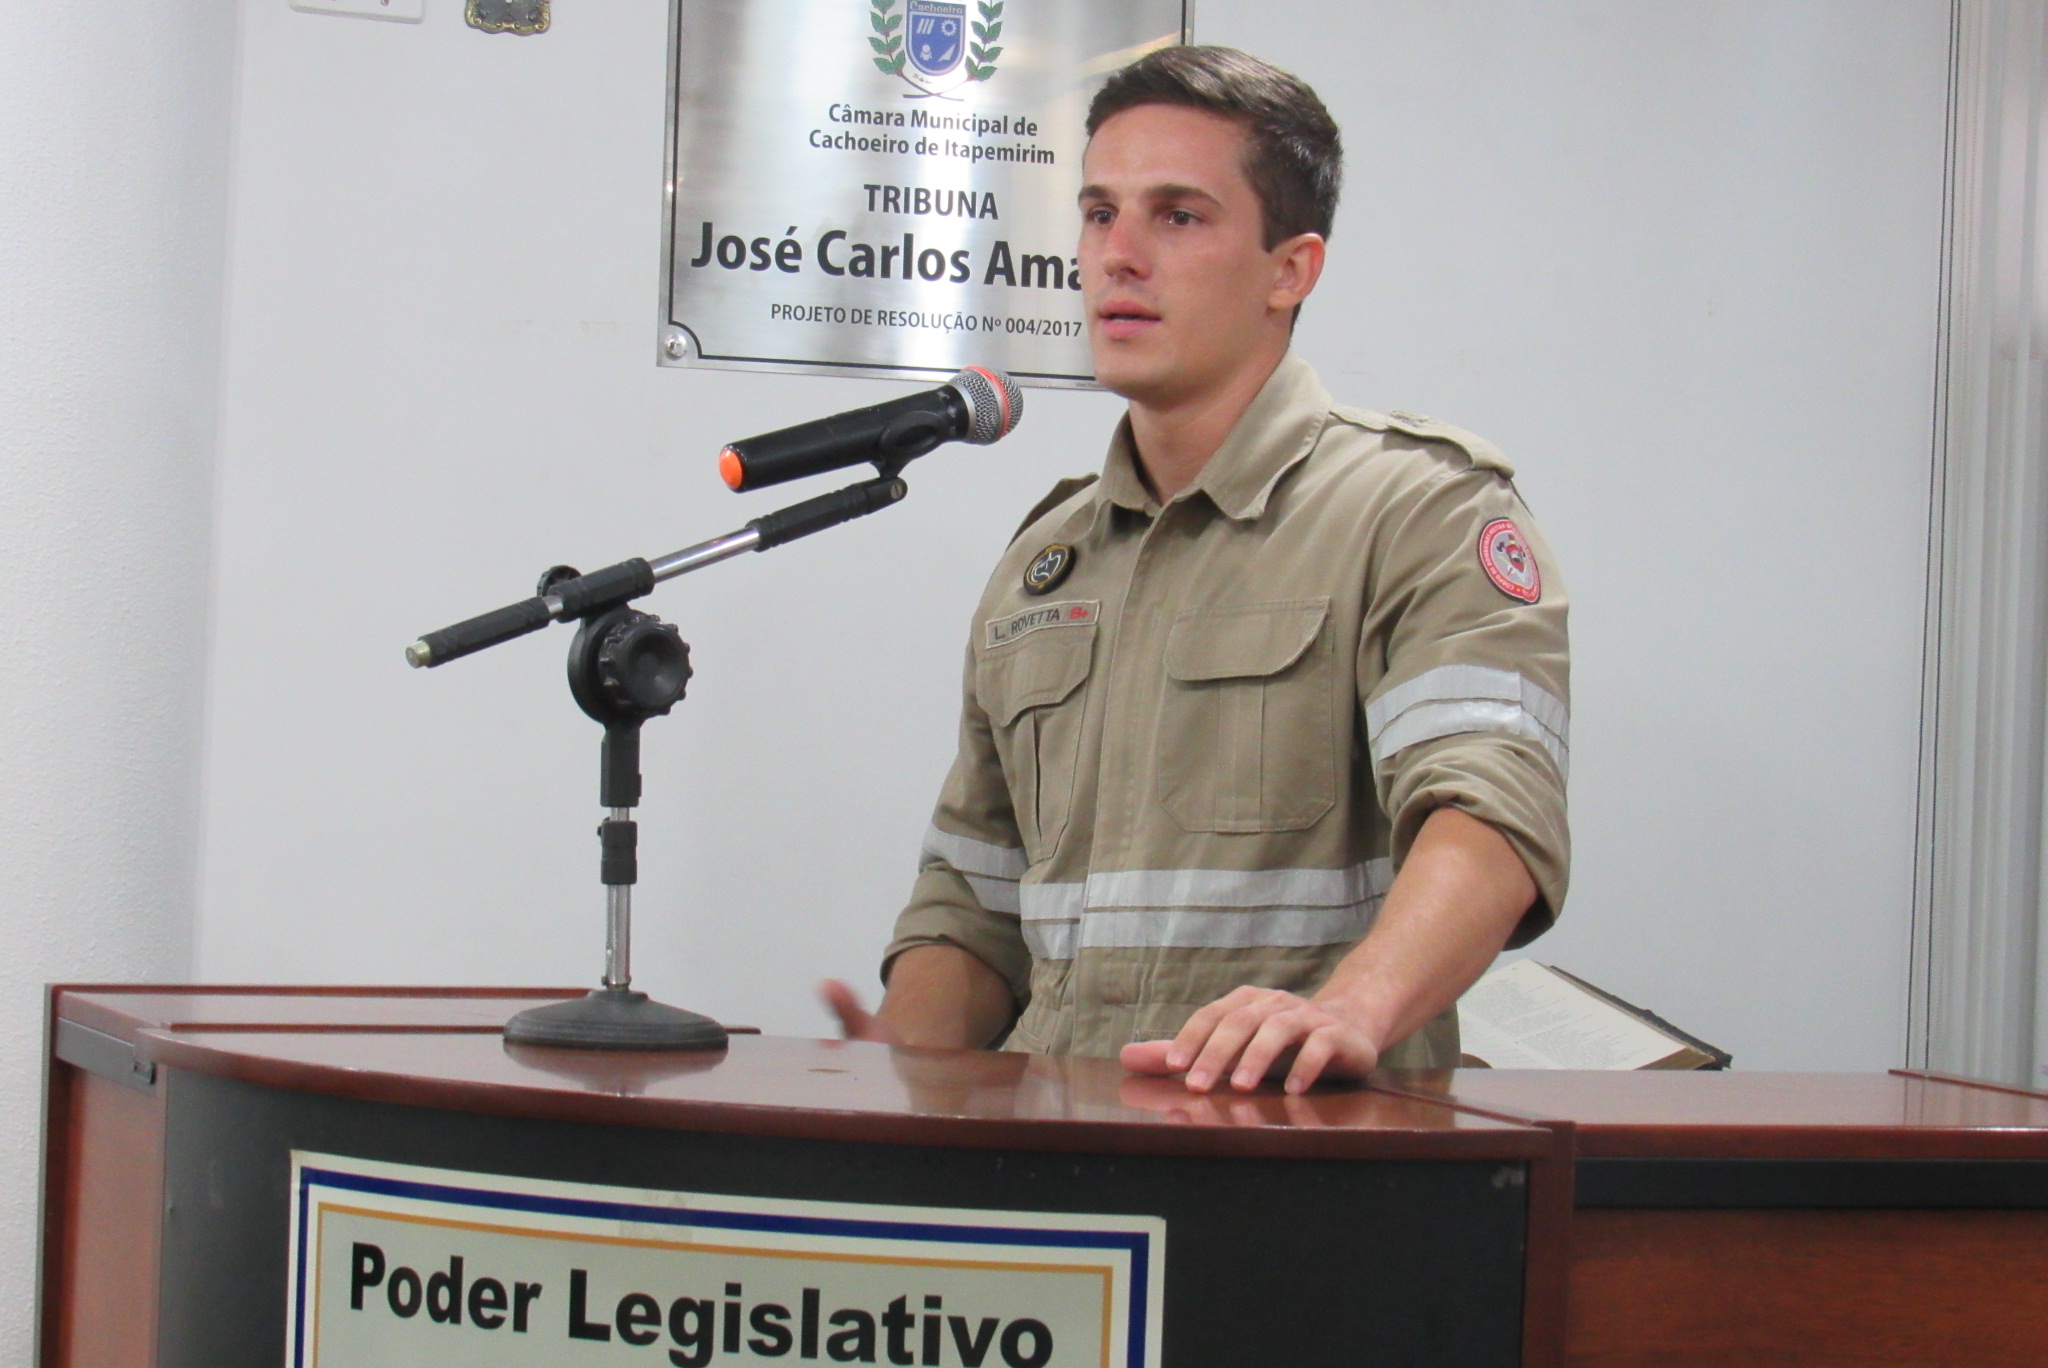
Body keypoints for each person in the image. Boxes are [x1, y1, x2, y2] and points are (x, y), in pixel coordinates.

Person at [822, 46, 1568, 1094]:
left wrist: (1347, 1010)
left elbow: (1490, 812)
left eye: (1177, 216)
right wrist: (896, 1070)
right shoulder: (1047, 562)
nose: (1117, 256)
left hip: (1297, 1142)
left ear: (1289, 269)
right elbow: (976, 894)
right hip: (1054, 1147)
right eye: (1098, 214)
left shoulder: (1418, 511)